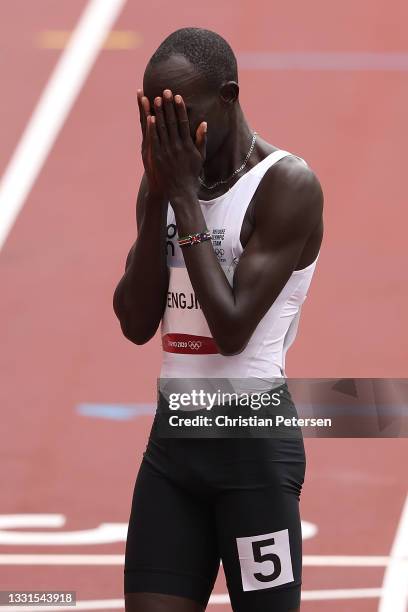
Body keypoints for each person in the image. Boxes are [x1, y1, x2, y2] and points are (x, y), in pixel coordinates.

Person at [113, 27, 324, 612]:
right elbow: (135, 322)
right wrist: (159, 195)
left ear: (228, 96)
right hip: (173, 448)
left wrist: (182, 200)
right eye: (157, 118)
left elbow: (232, 330)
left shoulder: (287, 185)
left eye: (183, 115)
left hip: (251, 452)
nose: (169, 133)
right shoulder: (164, 185)